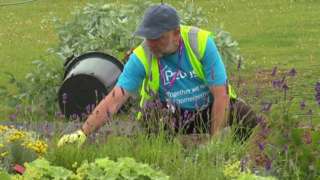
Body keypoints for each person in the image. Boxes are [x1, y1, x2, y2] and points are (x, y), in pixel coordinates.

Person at [58, 3, 257, 147]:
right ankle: (167, 160)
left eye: (158, 37)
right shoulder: (142, 55)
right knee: (152, 115)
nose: (151, 43)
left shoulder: (201, 42)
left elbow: (220, 94)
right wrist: (82, 133)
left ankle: (230, 158)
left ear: (176, 33)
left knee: (244, 114)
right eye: (148, 37)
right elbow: (114, 99)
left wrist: (215, 145)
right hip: (171, 115)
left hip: (206, 110)